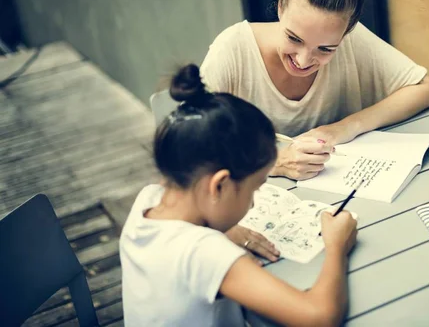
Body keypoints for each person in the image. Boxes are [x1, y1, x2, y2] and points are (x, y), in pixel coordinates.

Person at [120, 64, 358, 326]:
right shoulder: (203, 252)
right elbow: (319, 317)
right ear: (219, 186)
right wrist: (337, 247)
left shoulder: (149, 198)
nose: (254, 201)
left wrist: (223, 229)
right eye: (254, 188)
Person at [200, 0, 429, 181]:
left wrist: (346, 127)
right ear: (280, 5)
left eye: (325, 49)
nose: (303, 61)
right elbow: (188, 146)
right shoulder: (233, 50)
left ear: (347, 31)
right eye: (294, 38)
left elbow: (424, 88)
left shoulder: (352, 40)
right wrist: (276, 162)